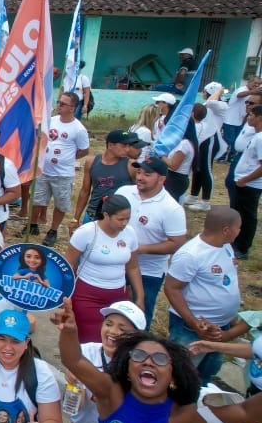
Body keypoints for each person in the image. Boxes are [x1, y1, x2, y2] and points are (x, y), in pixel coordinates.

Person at [53, 300, 262, 423]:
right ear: (127, 369)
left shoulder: (187, 418)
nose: (149, 362)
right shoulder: (112, 396)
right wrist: (70, 330)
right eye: (139, 356)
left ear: (173, 373)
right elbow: (74, 359)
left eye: (160, 359)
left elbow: (245, 412)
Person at [164, 206, 248, 383]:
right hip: (192, 330)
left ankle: (198, 400)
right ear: (226, 230)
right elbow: (172, 289)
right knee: (181, 375)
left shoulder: (225, 246)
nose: (240, 231)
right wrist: (194, 323)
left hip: (220, 327)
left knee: (207, 371)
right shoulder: (191, 254)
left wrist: (231, 318)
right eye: (238, 227)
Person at [64, 301, 147, 423]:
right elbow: (71, 368)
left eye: (123, 329)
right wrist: (72, 380)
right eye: (108, 324)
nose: (113, 332)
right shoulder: (86, 352)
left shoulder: (142, 367)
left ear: (137, 337)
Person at [113, 156, 186, 329]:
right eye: (138, 172)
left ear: (161, 179)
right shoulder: (123, 192)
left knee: (138, 315)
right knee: (113, 311)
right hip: (116, 263)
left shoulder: (171, 208)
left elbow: (176, 243)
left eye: (147, 174)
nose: (140, 177)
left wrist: (140, 249)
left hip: (148, 272)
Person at [64, 195, 144, 343]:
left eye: (128, 218)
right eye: (120, 219)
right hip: (87, 295)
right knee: (89, 340)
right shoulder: (86, 232)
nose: (125, 223)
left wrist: (140, 297)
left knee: (116, 341)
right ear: (106, 215)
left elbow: (133, 267)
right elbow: (68, 264)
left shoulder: (130, 233)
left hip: (118, 295)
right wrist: (65, 294)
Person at [32, 92, 90, 247]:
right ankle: (33, 224)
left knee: (60, 203)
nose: (59, 105)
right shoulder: (52, 121)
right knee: (37, 199)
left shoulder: (78, 129)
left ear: (72, 108)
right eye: (59, 102)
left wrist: (67, 157)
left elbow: (84, 150)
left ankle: (53, 230)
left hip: (62, 174)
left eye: (63, 104)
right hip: (44, 170)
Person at [70, 130, 137, 227]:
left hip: (117, 218)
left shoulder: (131, 166)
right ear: (110, 145)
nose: (127, 149)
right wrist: (75, 219)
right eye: (123, 146)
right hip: (93, 214)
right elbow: (84, 192)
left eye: (128, 146)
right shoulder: (91, 162)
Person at [230, 105, 262, 259]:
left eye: (251, 115)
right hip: (244, 182)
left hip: (250, 185)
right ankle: (236, 242)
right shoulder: (256, 136)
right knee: (240, 214)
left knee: (247, 217)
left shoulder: (261, 138)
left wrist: (245, 179)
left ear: (259, 118)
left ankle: (242, 248)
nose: (248, 117)